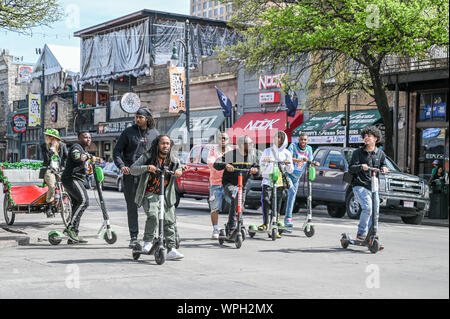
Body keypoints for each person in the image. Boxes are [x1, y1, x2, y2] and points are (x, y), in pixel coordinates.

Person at [130, 135, 184, 260]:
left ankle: (171, 249)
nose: (165, 146)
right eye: (163, 143)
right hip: (150, 193)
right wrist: (147, 167)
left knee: (169, 220)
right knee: (153, 215)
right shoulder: (148, 157)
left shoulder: (173, 159)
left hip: (166, 195)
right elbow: (133, 169)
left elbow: (180, 169)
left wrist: (179, 172)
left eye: (168, 144)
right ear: (157, 144)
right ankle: (148, 242)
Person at [113, 108, 159, 247]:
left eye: (140, 117)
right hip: (131, 175)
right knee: (132, 207)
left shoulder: (155, 134)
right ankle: (134, 237)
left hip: (150, 176)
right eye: (136, 117)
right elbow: (116, 151)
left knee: (152, 207)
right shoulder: (128, 132)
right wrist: (122, 166)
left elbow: (159, 153)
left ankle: (151, 236)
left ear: (147, 119)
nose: (137, 119)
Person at [349, 126, 388, 242]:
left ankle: (372, 235)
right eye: (365, 136)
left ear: (375, 138)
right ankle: (361, 233)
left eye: (369, 136)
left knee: (375, 212)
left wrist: (384, 168)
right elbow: (351, 168)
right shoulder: (358, 153)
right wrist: (361, 166)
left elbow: (383, 165)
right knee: (367, 208)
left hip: (374, 187)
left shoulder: (380, 153)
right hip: (360, 185)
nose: (366, 138)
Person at [213, 135, 259, 235]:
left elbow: (258, 169)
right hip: (230, 184)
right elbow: (216, 163)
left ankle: (236, 225)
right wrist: (226, 165)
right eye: (249, 144)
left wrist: (256, 170)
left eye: (252, 143)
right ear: (241, 145)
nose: (252, 145)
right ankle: (232, 226)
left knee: (239, 205)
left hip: (242, 185)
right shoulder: (231, 154)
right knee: (236, 196)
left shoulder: (252, 156)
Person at [259, 131, 294, 235]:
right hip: (268, 180)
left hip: (279, 181)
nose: (276, 139)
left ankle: (274, 224)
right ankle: (265, 223)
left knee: (277, 204)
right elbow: (261, 166)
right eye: (275, 137)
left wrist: (287, 164)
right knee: (265, 200)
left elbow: (291, 169)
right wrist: (265, 161)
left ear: (283, 140)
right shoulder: (267, 151)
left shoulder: (287, 153)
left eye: (279, 137)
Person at [61, 131, 93, 243]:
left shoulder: (83, 149)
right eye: (85, 137)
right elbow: (77, 158)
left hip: (76, 179)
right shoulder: (76, 147)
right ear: (79, 138)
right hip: (71, 178)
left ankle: (73, 234)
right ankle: (70, 229)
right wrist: (87, 156)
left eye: (89, 137)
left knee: (77, 203)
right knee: (84, 201)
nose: (88, 139)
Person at [207, 131, 234, 239]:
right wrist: (226, 165)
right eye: (221, 138)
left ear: (229, 140)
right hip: (216, 183)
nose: (223, 140)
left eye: (225, 138)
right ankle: (215, 229)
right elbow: (211, 163)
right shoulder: (213, 150)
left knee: (234, 205)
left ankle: (231, 226)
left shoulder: (232, 151)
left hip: (229, 183)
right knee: (215, 208)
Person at [284, 133, 313, 227]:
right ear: (298, 140)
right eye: (301, 139)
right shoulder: (293, 146)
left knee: (292, 197)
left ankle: (288, 219)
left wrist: (314, 163)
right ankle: (287, 219)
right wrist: (301, 160)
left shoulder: (309, 149)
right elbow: (289, 158)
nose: (303, 142)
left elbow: (310, 161)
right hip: (287, 174)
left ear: (307, 140)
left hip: (297, 177)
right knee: (292, 192)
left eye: (305, 140)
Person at [40, 129, 68, 217]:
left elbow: (67, 157)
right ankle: (49, 206)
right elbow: (46, 159)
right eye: (48, 137)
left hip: (60, 169)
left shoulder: (62, 146)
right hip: (49, 169)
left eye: (50, 137)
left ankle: (66, 201)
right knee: (52, 186)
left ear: (56, 138)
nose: (48, 138)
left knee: (68, 184)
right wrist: (51, 150)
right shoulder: (44, 146)